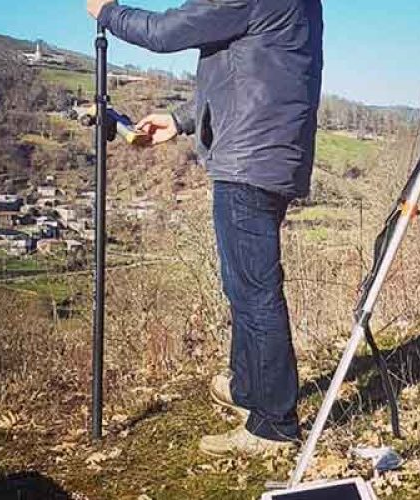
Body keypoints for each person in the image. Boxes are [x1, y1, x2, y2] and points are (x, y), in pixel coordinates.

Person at [86, 0, 323, 457]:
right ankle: (248, 387)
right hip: (270, 157)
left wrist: (107, 12)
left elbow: (164, 31)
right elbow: (255, 75)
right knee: (245, 286)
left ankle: (274, 426)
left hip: (248, 162)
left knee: (256, 293)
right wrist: (180, 120)